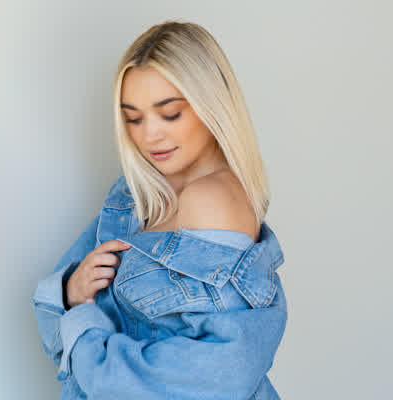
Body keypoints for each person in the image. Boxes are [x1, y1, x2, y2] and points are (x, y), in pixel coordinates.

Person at [31, 20, 288, 400]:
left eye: (170, 113)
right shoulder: (134, 195)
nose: (149, 135)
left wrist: (80, 320)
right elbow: (49, 315)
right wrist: (71, 293)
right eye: (133, 118)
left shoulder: (211, 200)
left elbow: (212, 378)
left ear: (211, 106)